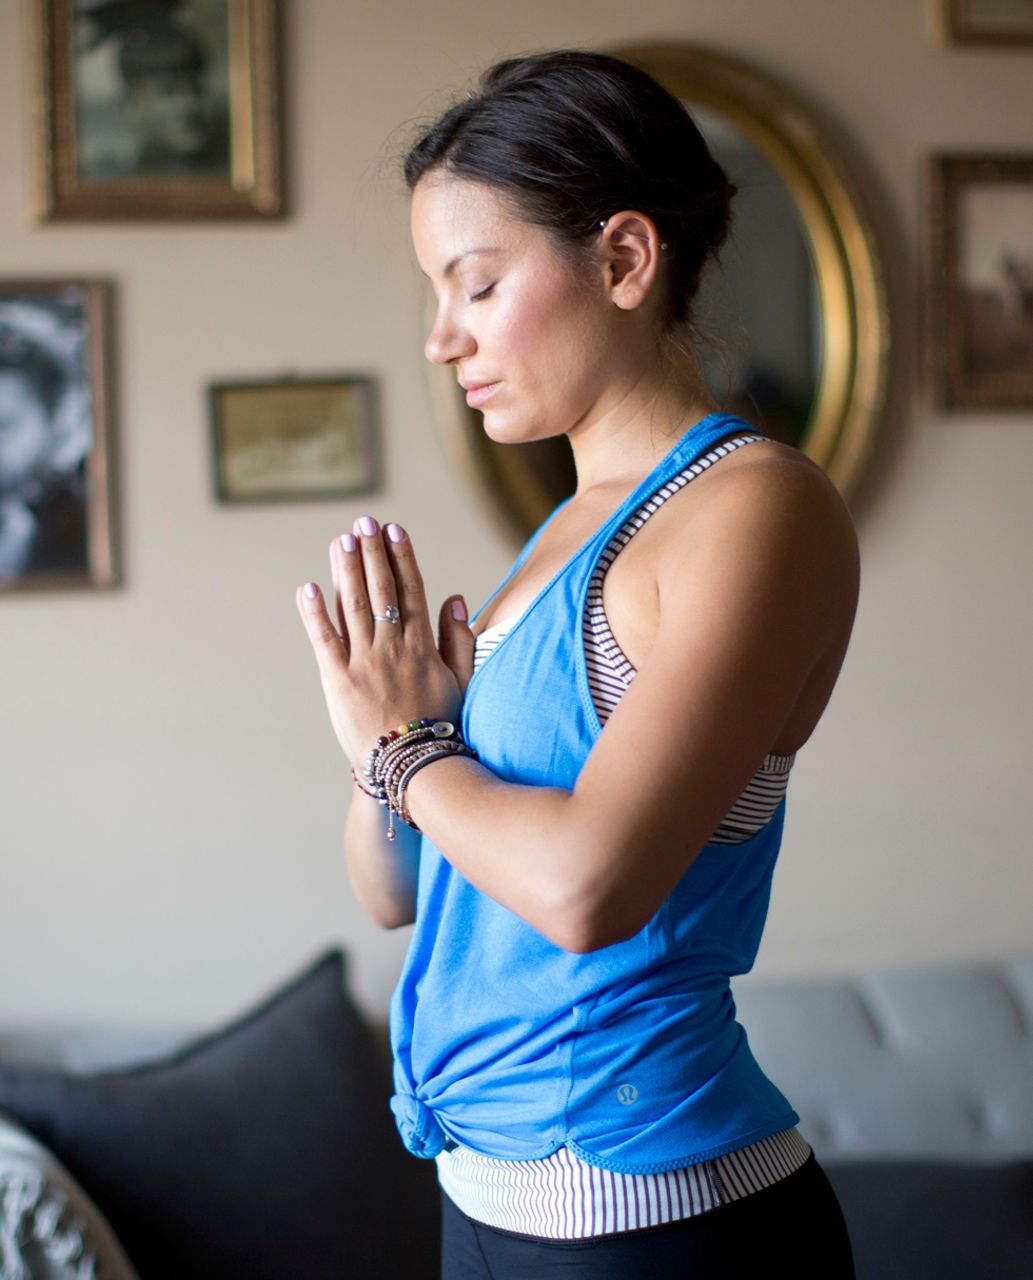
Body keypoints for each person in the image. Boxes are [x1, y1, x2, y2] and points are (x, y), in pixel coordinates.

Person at [296, 49, 859, 1278]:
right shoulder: (555, 534)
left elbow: (586, 886)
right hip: (481, 1196)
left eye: (477, 285)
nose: (442, 338)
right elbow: (397, 889)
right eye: (434, 293)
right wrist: (378, 731)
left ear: (621, 260)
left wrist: (410, 748)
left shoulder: (755, 509)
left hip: (658, 1213)